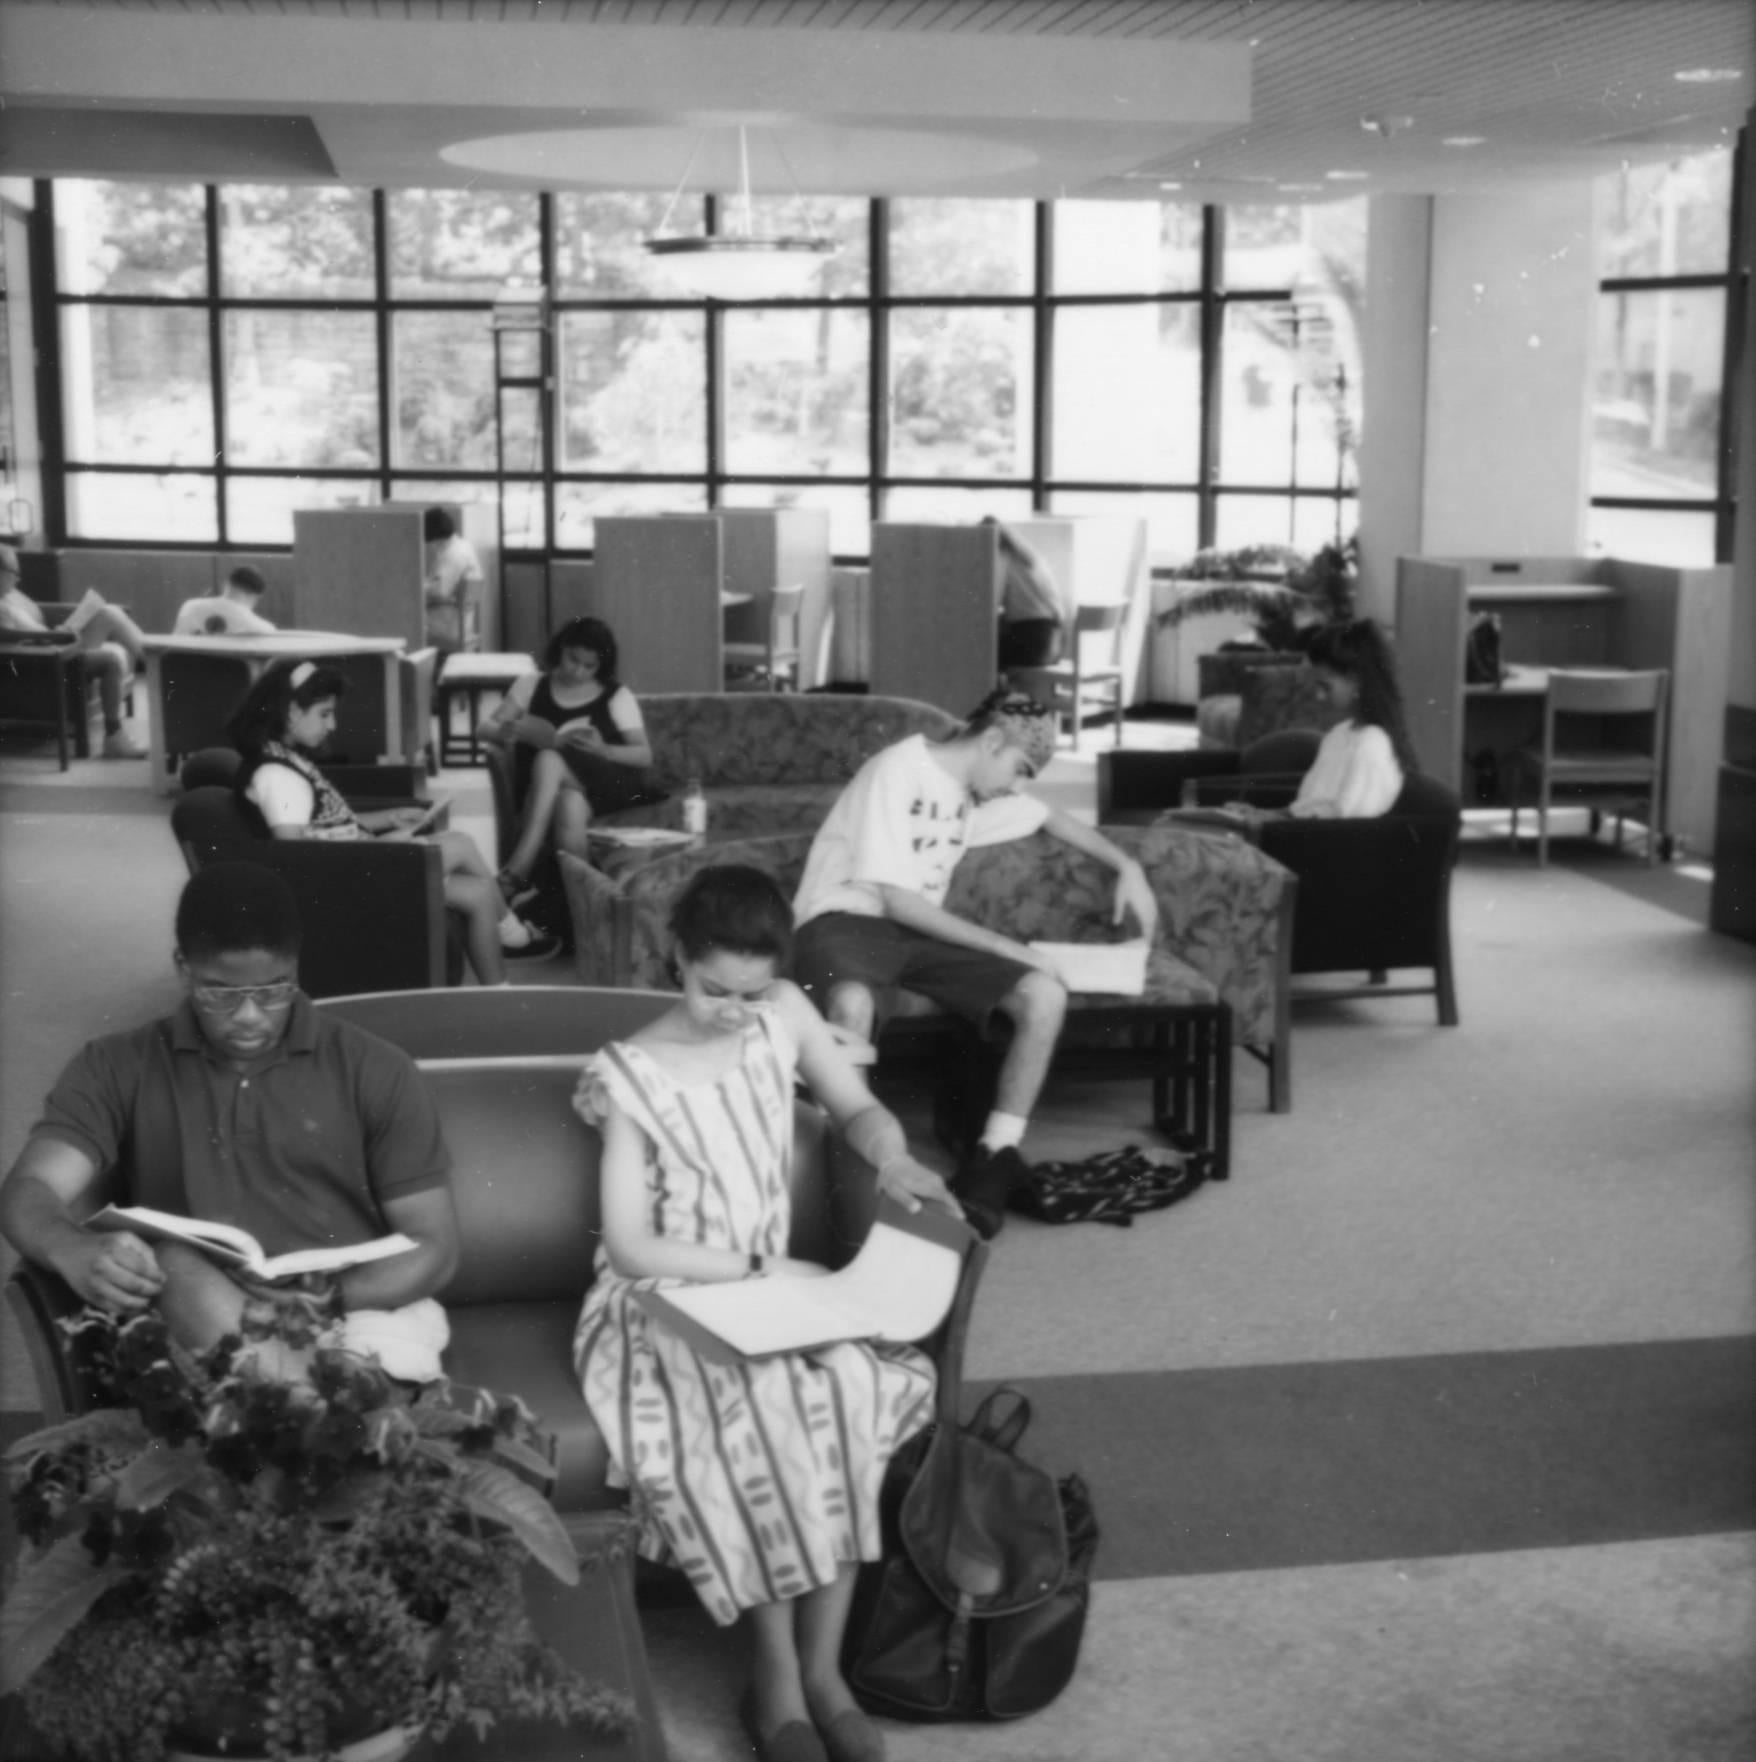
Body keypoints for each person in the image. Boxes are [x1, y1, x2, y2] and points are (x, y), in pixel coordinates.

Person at [572, 864, 959, 1762]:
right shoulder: (630, 1071)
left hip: (774, 1289)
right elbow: (631, 1244)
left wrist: (891, 1157)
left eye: (752, 991)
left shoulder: (782, 1010)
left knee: (858, 1390)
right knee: (769, 1407)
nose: (736, 1010)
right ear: (676, 957)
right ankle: (775, 1677)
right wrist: (759, 1267)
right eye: (715, 990)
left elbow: (856, 1106)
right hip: (662, 1298)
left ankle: (825, 1673)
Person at [0, 862, 460, 1384]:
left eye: (272, 990)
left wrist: (324, 1297)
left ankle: (295, 1417)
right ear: (182, 968)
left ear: (296, 968)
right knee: (175, 1266)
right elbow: (29, 1188)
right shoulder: (115, 1065)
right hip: (200, 1315)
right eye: (219, 992)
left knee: (351, 1381)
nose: (248, 1016)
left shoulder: (376, 1068)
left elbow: (435, 1246)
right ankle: (312, 1421)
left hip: (350, 1309)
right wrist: (71, 1247)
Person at [791, 688, 1159, 1239]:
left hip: (911, 933)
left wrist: (1128, 866)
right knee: (852, 1002)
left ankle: (994, 1155)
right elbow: (898, 900)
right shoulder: (897, 769)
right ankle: (857, 1174)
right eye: (1019, 769)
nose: (1017, 785)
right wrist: (1011, 947)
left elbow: (1050, 818)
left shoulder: (972, 789)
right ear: (990, 741)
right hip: (842, 918)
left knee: (1043, 994)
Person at [228, 658, 560, 984]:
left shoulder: (287, 760)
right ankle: (514, 935)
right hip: (346, 880)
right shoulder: (277, 775)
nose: (332, 726)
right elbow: (298, 857)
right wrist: (387, 846)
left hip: (357, 865)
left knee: (477, 893)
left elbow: (329, 825)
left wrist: (389, 818)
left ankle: (499, 993)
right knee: (459, 843)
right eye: (324, 714)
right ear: (291, 712)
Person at [479, 615, 666, 909]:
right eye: (572, 660)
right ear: (560, 650)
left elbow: (644, 755)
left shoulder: (616, 695)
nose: (578, 671)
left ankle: (517, 871)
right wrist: (504, 730)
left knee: (550, 758)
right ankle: (583, 909)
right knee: (569, 803)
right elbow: (484, 729)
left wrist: (604, 749)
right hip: (555, 789)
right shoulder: (531, 684)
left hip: (608, 785)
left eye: (589, 666)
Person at [0, 541, 147, 757]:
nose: (18, 578)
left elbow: (34, 628)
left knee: (109, 612)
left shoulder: (10, 597)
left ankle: (157, 660)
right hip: (51, 660)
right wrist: (57, 635)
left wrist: (60, 631)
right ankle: (115, 736)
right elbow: (11, 638)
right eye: (14, 572)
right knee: (109, 636)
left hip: (57, 644)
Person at [983, 516, 1067, 671]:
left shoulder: (1003, 558)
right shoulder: (1030, 557)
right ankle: (1004, 692)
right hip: (1052, 643)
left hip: (1031, 640)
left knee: (982, 652)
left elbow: (992, 603)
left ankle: (998, 694)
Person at [422, 507, 484, 657]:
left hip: (449, 624)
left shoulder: (452, 554)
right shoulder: (463, 546)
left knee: (405, 624)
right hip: (461, 619)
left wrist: (418, 587)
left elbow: (439, 592)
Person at [173, 564, 277, 637]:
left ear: (226, 584)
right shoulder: (264, 629)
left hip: (181, 668)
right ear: (256, 596)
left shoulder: (189, 606)